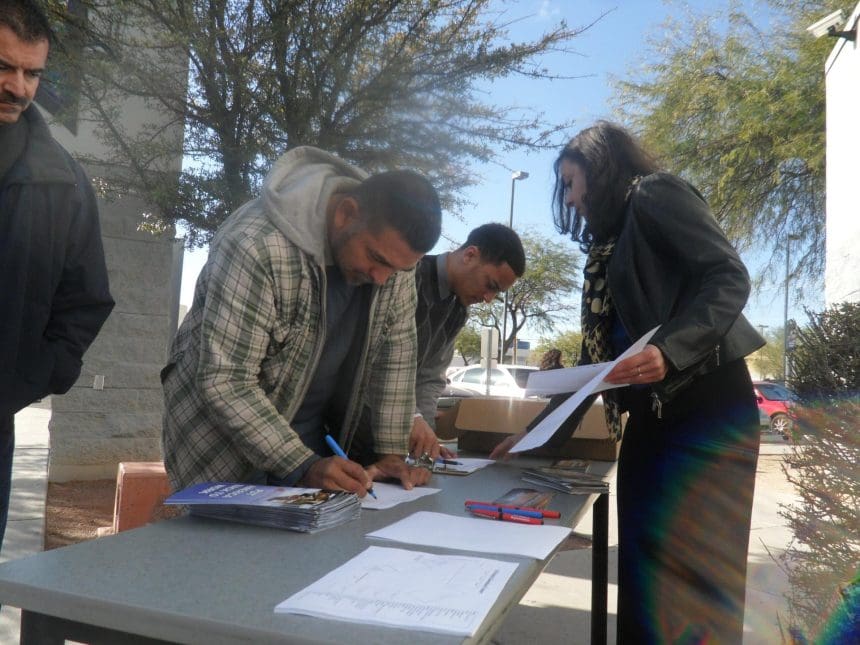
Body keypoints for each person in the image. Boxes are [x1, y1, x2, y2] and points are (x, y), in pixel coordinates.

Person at [492, 121, 765, 642]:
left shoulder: (657, 194)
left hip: (707, 417)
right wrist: (532, 438)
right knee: (643, 573)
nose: (569, 200)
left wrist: (670, 348)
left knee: (695, 580)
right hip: (654, 421)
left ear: (600, 168)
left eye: (571, 183)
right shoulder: (608, 244)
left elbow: (729, 276)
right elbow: (596, 366)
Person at [161, 146, 442, 499]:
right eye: (375, 259)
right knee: (228, 551)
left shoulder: (392, 259)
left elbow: (395, 357)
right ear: (346, 214)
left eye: (398, 270)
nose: (383, 279)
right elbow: (225, 379)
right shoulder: (257, 244)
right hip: (220, 444)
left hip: (312, 442)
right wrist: (301, 464)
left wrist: (389, 453)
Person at [0, 0, 114, 553]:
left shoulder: (64, 184)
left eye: (32, 73)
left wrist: (38, 372)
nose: (18, 87)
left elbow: (86, 300)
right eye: (4, 67)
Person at [354, 223, 525, 465]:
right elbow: (376, 363)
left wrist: (426, 438)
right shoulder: (406, 277)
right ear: (470, 255)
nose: (488, 299)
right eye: (491, 285)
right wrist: (412, 420)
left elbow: (430, 377)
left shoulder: (458, 311)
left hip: (394, 445)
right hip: (353, 434)